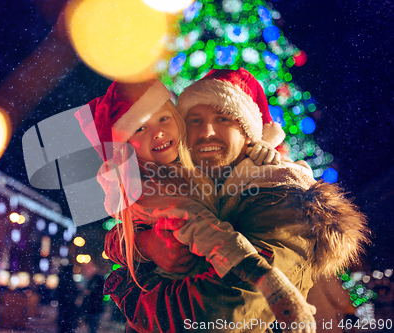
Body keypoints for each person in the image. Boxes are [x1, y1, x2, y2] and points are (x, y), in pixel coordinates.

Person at [103, 68, 370, 333]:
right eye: (194, 121)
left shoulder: (283, 195)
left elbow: (211, 317)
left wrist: (125, 289)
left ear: (250, 135)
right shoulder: (190, 182)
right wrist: (144, 244)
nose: (206, 132)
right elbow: (131, 224)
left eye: (224, 118)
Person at [81, 262, 106, 333]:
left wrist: (89, 292)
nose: (86, 271)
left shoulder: (97, 279)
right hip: (92, 307)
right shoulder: (93, 279)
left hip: (94, 307)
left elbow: (99, 293)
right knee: (91, 326)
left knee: (92, 326)